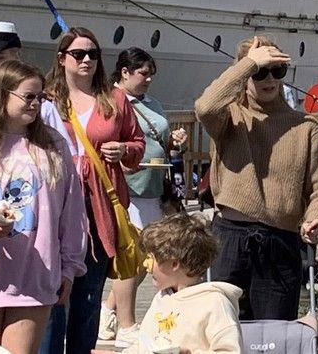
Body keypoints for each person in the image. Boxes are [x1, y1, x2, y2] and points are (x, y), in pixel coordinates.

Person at [195, 35, 318, 321]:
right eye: (260, 72)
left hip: (280, 240)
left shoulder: (305, 127)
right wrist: (249, 63)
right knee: (221, 331)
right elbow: (205, 107)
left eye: (277, 71)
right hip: (230, 236)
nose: (268, 79)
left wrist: (316, 218)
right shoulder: (229, 118)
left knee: (274, 335)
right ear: (246, 75)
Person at [0, 59, 88, 354]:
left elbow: (72, 212)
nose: (36, 104)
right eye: (28, 96)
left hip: (35, 274)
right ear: (2, 95)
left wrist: (69, 268)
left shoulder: (53, 145)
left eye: (40, 97)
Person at [40, 27, 145, 354]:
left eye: (93, 54)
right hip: (56, 210)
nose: (87, 60)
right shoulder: (46, 100)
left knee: (88, 300)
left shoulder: (114, 100)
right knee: (53, 298)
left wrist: (124, 150)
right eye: (78, 54)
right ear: (62, 59)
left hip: (99, 209)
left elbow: (139, 144)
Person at [99, 48, 188, 344]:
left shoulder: (153, 103)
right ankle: (127, 325)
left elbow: (160, 141)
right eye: (143, 73)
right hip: (129, 187)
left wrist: (175, 141)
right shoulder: (112, 100)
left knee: (147, 257)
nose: (149, 79)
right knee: (134, 257)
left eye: (152, 74)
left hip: (153, 186)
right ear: (124, 72)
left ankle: (108, 311)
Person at [119, 212, 243, 354]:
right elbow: (145, 344)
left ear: (174, 264)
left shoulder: (214, 303)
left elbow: (230, 350)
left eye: (151, 257)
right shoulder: (162, 299)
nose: (146, 264)